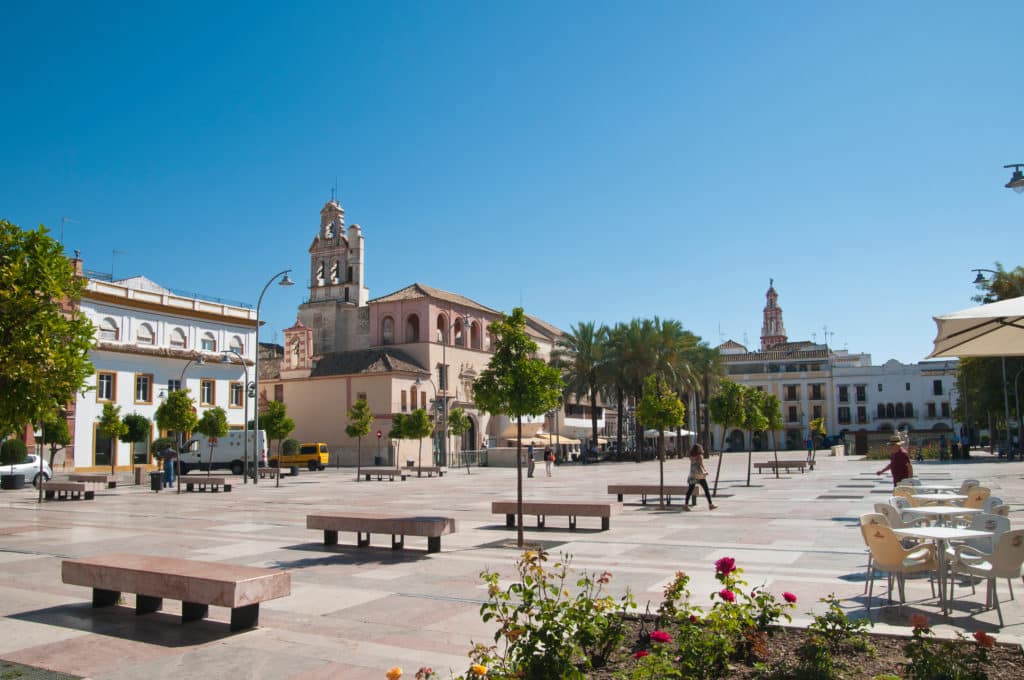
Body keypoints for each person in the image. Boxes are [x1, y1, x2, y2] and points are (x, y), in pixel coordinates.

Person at [683, 444, 716, 511]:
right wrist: (705, 471)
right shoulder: (699, 456)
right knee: (706, 489)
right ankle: (710, 505)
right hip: (699, 475)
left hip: (692, 475)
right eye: (700, 448)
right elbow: (701, 465)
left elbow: (694, 463)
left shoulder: (691, 456)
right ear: (697, 449)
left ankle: (686, 505)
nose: (701, 449)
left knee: (690, 490)